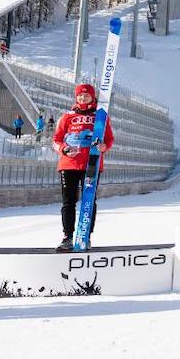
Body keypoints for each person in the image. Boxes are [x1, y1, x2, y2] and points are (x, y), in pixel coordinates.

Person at [52, 84, 114, 252]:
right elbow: (56, 139)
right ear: (76, 97)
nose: (83, 98)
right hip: (68, 164)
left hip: (91, 163)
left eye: (86, 96)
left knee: (89, 201)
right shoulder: (67, 116)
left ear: (92, 98)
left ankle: (85, 235)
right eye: (80, 96)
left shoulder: (100, 117)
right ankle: (67, 237)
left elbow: (109, 139)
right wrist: (63, 148)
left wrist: (103, 147)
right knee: (68, 201)